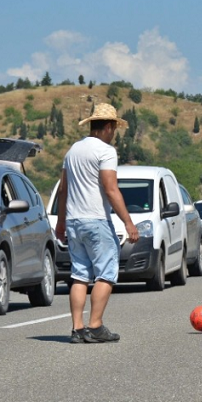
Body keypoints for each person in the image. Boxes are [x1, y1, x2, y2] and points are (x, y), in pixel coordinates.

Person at [55, 103, 140, 344]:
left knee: (80, 275)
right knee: (106, 273)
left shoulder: (73, 150)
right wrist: (128, 222)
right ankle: (95, 325)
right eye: (114, 128)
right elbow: (111, 189)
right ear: (109, 127)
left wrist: (61, 222)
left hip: (73, 220)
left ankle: (77, 329)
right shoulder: (106, 151)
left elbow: (63, 190)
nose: (113, 133)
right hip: (96, 219)